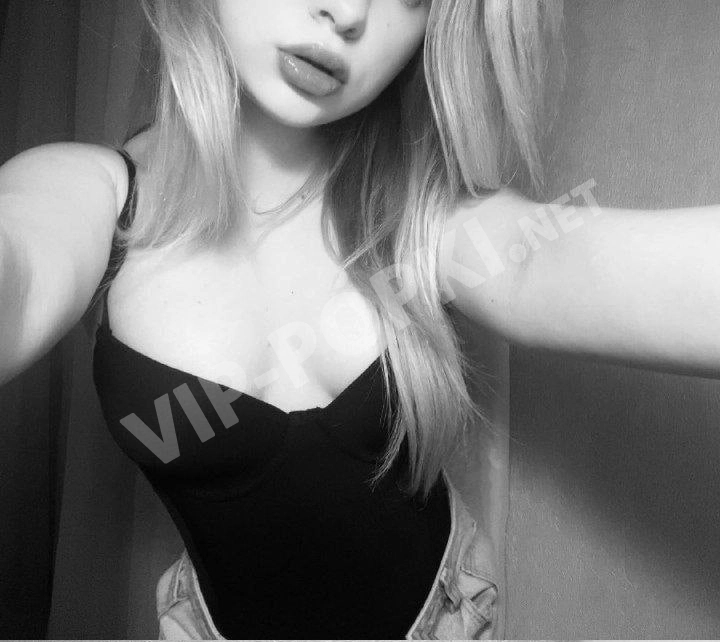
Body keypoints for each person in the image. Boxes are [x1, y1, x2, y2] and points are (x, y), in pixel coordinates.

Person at [0, 0, 718, 639]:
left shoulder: (420, 214)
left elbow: (557, 263)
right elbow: (19, 270)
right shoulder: (91, 194)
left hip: (445, 616)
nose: (347, 11)